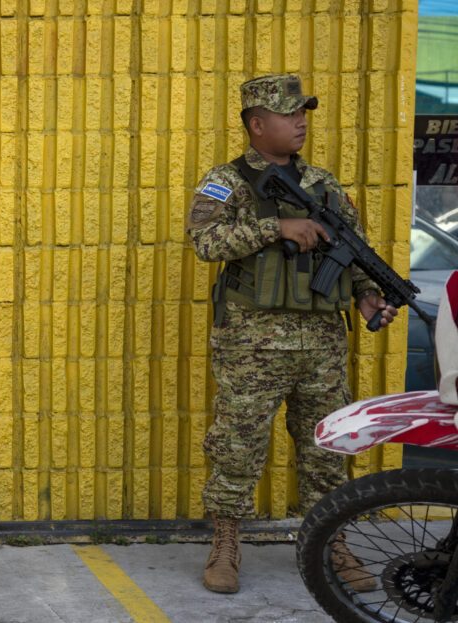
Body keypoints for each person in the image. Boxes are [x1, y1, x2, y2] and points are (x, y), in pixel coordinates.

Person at [186, 74, 398, 594]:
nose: (301, 121)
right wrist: (274, 228)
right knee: (238, 447)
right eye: (288, 113)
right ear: (257, 124)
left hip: (322, 344)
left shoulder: (324, 183)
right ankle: (226, 544)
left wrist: (367, 294)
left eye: (304, 112)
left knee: (326, 449)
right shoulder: (228, 180)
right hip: (251, 345)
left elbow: (355, 251)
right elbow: (205, 241)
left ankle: (331, 542)